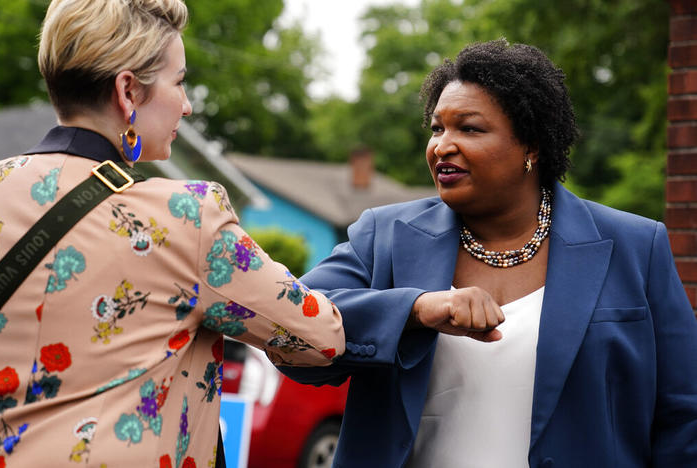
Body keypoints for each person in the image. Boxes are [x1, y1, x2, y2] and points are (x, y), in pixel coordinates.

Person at [280, 39, 697, 468]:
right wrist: (417, 309)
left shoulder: (635, 246)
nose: (443, 145)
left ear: (531, 146)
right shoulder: (383, 236)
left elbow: (685, 411)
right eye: (437, 128)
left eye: (470, 128)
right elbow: (290, 325)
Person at [0, 0, 344, 466]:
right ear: (128, 92)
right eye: (179, 82)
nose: (187, 103)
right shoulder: (185, 214)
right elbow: (320, 337)